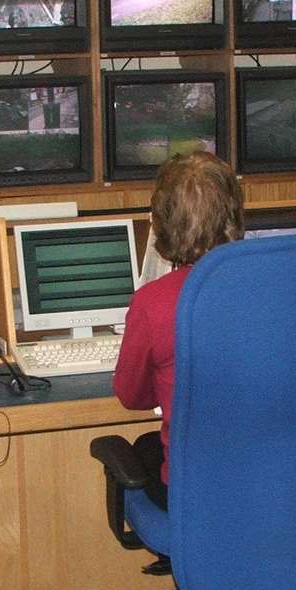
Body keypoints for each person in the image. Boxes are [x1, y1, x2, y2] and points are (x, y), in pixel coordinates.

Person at [112, 151, 245, 509]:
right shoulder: (277, 287)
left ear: (160, 222)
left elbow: (132, 397)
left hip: (197, 494)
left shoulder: (153, 303)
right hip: (281, 484)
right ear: (235, 214)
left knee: (145, 451)